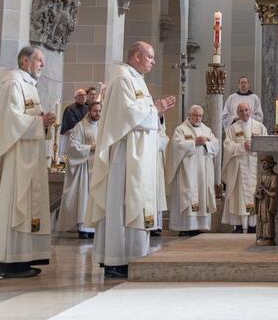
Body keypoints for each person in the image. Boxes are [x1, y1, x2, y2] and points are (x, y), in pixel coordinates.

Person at [87, 42, 176, 278]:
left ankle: (134, 257)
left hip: (139, 155)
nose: (154, 62)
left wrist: (158, 112)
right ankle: (116, 259)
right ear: (137, 56)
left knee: (136, 201)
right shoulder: (121, 78)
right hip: (125, 157)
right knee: (122, 203)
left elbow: (144, 113)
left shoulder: (137, 79)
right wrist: (155, 109)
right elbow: (126, 114)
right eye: (150, 57)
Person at [0, 46, 57, 279]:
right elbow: (10, 120)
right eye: (39, 60)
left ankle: (23, 258)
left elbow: (28, 118)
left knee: (27, 206)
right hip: (17, 158)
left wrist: (44, 122)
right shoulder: (13, 83)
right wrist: (38, 121)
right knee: (15, 203)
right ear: (25, 60)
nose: (42, 65)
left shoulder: (29, 86)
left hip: (30, 155)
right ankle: (10, 260)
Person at [166, 105, 218, 237]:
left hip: (203, 172)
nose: (198, 118)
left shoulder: (206, 130)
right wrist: (193, 142)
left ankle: (200, 226)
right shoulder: (181, 130)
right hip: (187, 171)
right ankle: (185, 227)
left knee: (201, 195)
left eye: (200, 115)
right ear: (189, 115)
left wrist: (206, 144)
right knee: (188, 194)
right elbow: (176, 147)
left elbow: (215, 146)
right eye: (195, 115)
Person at [222, 102, 268, 233]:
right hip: (239, 169)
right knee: (239, 198)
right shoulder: (233, 129)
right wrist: (242, 147)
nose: (244, 113)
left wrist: (255, 146)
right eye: (241, 111)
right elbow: (227, 146)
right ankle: (239, 225)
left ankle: (254, 225)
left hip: (256, 167)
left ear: (251, 111)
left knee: (256, 195)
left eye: (246, 110)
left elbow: (267, 145)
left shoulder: (260, 127)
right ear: (237, 113)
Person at [58, 100, 100, 239]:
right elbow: (73, 147)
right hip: (84, 167)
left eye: (99, 111)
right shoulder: (80, 126)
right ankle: (84, 228)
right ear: (89, 111)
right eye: (95, 111)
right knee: (85, 198)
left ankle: (95, 227)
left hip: (99, 168)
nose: (97, 113)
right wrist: (90, 148)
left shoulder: (103, 126)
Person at [59, 88, 90, 163]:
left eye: (85, 95)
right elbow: (72, 123)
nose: (83, 97)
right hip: (72, 136)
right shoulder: (70, 109)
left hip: (85, 136)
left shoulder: (88, 108)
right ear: (75, 98)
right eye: (81, 95)